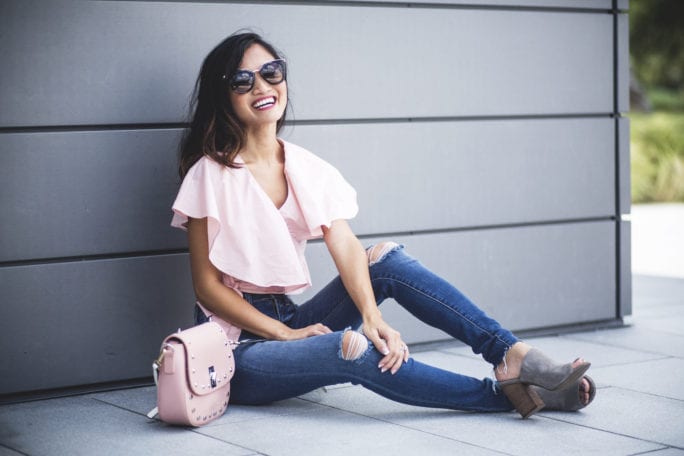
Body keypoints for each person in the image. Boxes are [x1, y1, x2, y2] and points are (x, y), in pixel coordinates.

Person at [170, 31, 596, 418]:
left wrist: (372, 317)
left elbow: (345, 245)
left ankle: (511, 355)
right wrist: (286, 334)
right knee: (348, 349)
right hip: (236, 349)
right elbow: (207, 288)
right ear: (224, 97)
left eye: (270, 72)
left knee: (385, 259)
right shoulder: (209, 174)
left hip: (292, 317)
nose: (261, 87)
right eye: (242, 81)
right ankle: (504, 396)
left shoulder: (305, 167)